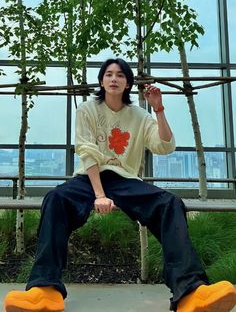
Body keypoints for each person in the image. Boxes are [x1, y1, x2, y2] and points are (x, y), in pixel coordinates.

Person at [4, 57, 236, 312]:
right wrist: (99, 194)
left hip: (125, 179)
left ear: (127, 83)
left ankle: (191, 291)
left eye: (120, 75)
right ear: (102, 81)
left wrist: (158, 110)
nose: (114, 79)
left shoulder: (139, 114)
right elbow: (87, 151)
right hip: (89, 177)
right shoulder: (87, 109)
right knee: (55, 199)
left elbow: (165, 146)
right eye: (108, 74)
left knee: (169, 203)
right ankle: (45, 290)